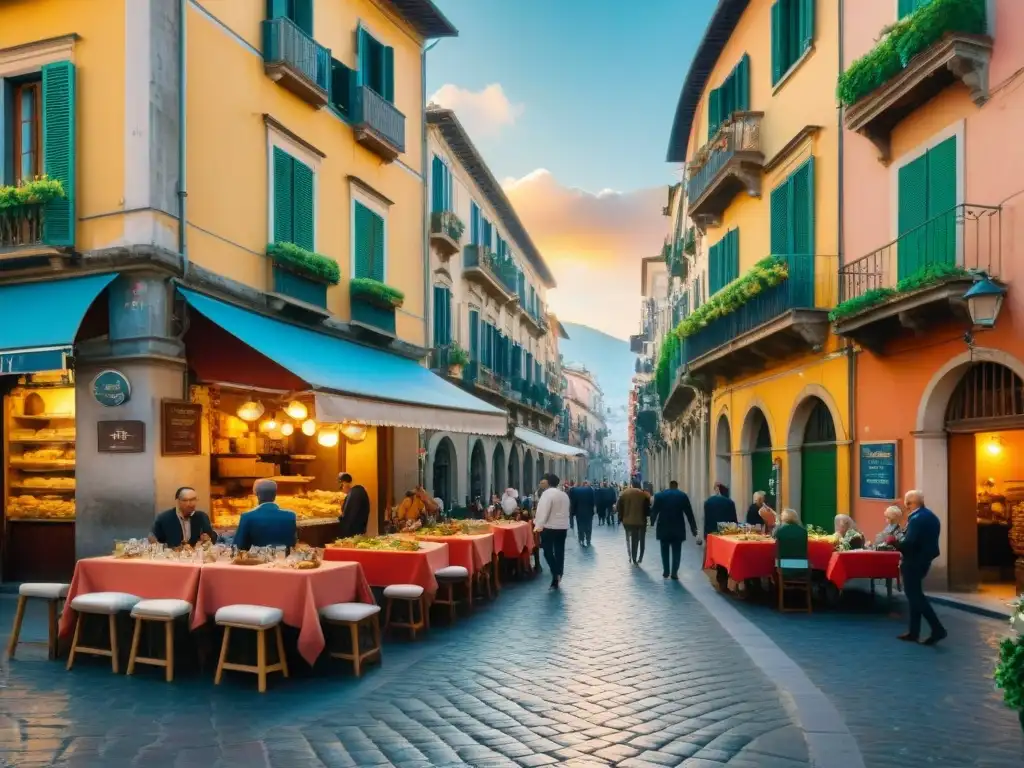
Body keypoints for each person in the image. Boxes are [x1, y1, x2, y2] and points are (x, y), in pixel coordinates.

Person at [898, 490, 947, 645]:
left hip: (913, 561)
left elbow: (910, 542)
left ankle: (937, 628)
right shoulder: (930, 516)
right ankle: (914, 631)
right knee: (915, 595)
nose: (906, 506)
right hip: (924, 560)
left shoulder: (917, 518)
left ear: (910, 503)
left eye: (907, 503)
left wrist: (895, 544)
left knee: (915, 596)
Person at [651, 481, 698, 579]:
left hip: (663, 527)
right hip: (678, 527)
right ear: (677, 486)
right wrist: (694, 529)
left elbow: (654, 511)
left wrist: (652, 522)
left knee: (664, 550)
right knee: (677, 550)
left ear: (669, 486)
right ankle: (674, 572)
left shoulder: (660, 496)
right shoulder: (682, 496)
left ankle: (666, 571)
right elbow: (689, 514)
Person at [234, 479, 297, 550]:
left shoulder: (247, 517)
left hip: (258, 560)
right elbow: (293, 543)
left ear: (258, 495)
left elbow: (239, 546)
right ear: (275, 495)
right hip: (284, 559)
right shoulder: (291, 516)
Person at [534, 473, 571, 589]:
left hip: (550, 527)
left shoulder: (546, 494)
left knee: (547, 551)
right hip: (562, 527)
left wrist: (538, 525)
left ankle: (556, 573)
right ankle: (560, 572)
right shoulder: (563, 494)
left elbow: (543, 511)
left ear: (548, 482)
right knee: (560, 551)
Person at [149, 487, 217, 547]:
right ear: (177, 501)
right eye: (185, 500)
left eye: (193, 499)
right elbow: (153, 539)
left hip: (196, 558)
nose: (189, 504)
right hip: (172, 558)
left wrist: (208, 539)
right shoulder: (164, 518)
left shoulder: (202, 517)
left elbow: (212, 537)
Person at [617, 478, 651, 565]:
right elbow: (647, 508)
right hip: (641, 521)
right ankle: (640, 556)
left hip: (628, 521)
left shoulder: (624, 493)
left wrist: (620, 517)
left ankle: (633, 557)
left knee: (632, 539)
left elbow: (619, 506)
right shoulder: (644, 494)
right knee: (641, 539)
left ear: (631, 485)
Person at [338, 472, 370, 537]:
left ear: (344, 483)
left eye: (342, 486)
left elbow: (348, 514)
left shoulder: (353, 494)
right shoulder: (361, 491)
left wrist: (341, 516)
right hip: (360, 529)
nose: (343, 489)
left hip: (353, 531)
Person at [571, 480, 597, 547]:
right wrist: (593, 511)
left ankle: (581, 538)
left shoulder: (577, 491)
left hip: (579, 512)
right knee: (588, 526)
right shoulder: (591, 490)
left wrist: (573, 512)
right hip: (588, 512)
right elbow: (593, 502)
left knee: (580, 526)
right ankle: (588, 539)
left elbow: (574, 502)